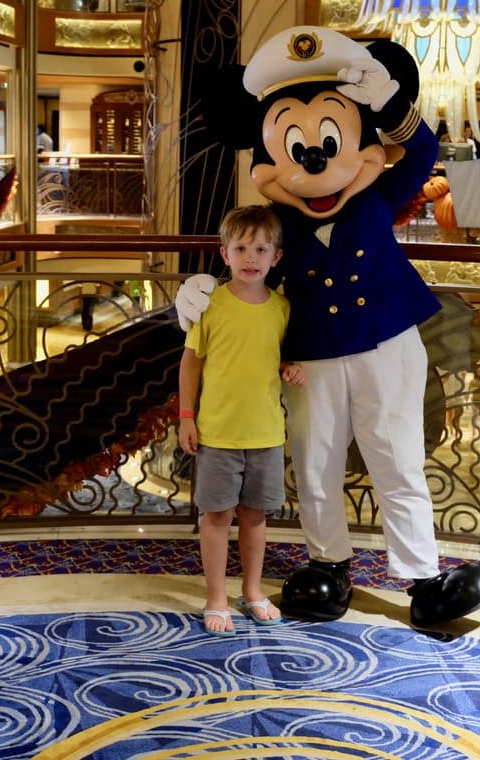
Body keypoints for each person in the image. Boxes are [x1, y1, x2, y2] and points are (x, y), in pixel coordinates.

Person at [176, 25, 480, 627]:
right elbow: (251, 264)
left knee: (396, 455)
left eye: (330, 138)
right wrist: (205, 288)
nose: (314, 157)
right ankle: (328, 564)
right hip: (312, 357)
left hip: (387, 341)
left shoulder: (377, 197)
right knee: (315, 461)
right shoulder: (276, 224)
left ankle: (422, 574)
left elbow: (424, 156)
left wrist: (392, 107)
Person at [178, 204, 306, 636]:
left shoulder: (282, 309)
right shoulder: (210, 306)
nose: (251, 258)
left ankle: (252, 590)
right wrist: (186, 417)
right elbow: (191, 363)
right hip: (217, 434)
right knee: (216, 517)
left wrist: (291, 369)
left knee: (255, 517)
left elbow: (280, 357)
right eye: (242, 248)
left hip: (266, 433)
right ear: (225, 254)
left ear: (276, 257)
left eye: (261, 249)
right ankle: (216, 596)